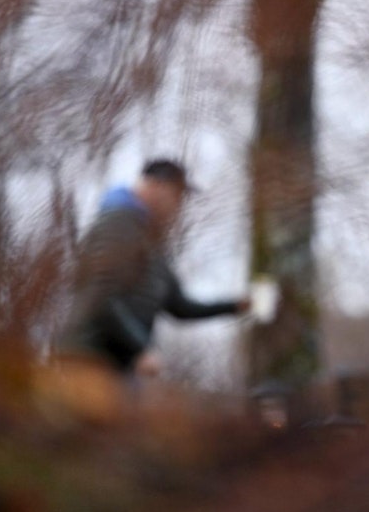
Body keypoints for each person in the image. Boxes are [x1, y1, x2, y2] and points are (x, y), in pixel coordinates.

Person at [59, 159, 249, 374]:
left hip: (119, 366)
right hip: (88, 360)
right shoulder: (118, 225)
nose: (178, 206)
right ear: (155, 186)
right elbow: (102, 294)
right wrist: (141, 347)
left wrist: (238, 306)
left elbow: (180, 306)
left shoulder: (151, 243)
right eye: (176, 196)